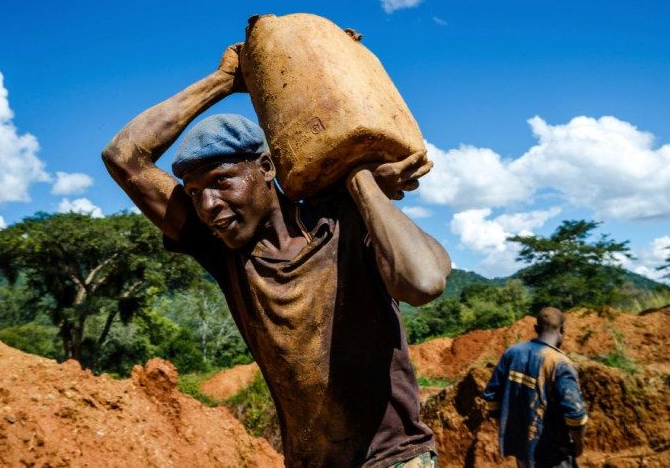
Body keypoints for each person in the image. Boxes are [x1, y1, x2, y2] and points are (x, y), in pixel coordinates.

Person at [102, 43, 452, 468]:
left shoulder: (342, 224)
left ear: (266, 168)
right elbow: (123, 156)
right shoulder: (226, 251)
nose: (208, 205)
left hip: (393, 461)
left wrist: (360, 181)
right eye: (194, 194)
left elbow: (424, 281)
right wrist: (224, 82)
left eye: (222, 181)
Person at [481, 307, 588, 468]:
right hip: (552, 453)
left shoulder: (512, 353)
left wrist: (511, 428)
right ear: (562, 329)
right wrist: (578, 446)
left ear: (536, 329)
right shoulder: (560, 364)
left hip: (522, 449)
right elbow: (575, 415)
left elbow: (492, 397)